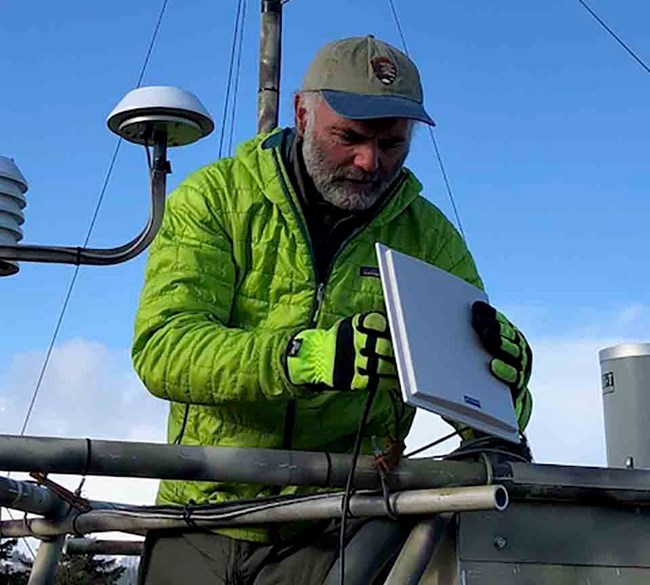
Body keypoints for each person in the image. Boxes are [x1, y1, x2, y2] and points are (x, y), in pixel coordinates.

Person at [132, 35, 533, 584]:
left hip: (338, 527)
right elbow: (164, 348)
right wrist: (306, 357)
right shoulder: (215, 199)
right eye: (349, 136)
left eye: (391, 144)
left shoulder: (430, 238)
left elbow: (480, 412)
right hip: (200, 518)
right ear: (301, 112)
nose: (369, 162)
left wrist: (504, 385)